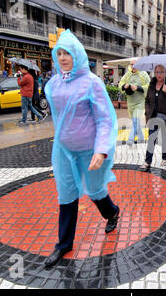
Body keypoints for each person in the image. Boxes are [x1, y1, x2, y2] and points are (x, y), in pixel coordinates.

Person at [43, 30, 120, 267]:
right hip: (64, 151)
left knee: (96, 190)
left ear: (78, 55)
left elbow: (104, 119)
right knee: (66, 195)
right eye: (60, 53)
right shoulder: (53, 84)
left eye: (68, 53)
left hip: (90, 151)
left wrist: (101, 150)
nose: (64, 58)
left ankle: (112, 212)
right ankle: (63, 245)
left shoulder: (92, 83)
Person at [141, 64, 166, 169]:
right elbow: (147, 100)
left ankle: (165, 158)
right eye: (157, 72)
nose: (159, 74)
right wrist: (148, 111)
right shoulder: (152, 84)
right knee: (151, 139)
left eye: (162, 72)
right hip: (153, 116)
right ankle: (148, 161)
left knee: (165, 139)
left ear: (165, 73)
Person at [118, 59, 150, 145]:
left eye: (135, 64)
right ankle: (141, 139)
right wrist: (125, 86)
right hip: (130, 102)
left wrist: (138, 88)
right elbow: (120, 84)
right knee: (136, 121)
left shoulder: (143, 74)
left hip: (140, 102)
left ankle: (130, 139)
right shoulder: (127, 74)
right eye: (131, 64)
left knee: (135, 120)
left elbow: (149, 85)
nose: (133, 66)